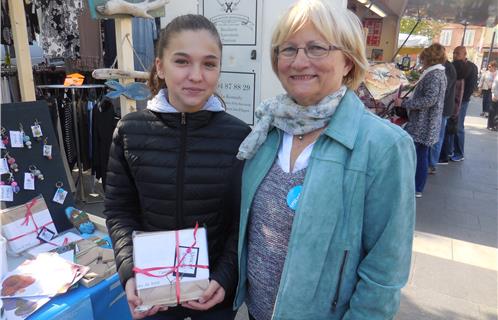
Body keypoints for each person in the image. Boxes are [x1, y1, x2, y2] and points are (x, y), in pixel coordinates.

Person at [234, 1, 416, 319]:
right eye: (287, 49)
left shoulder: (384, 146)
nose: (299, 61)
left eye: (317, 48)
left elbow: (385, 274)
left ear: (347, 61)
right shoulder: (269, 128)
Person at [104, 14, 250, 320]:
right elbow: (120, 210)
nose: (196, 75)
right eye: (182, 61)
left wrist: (225, 277)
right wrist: (130, 270)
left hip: (212, 297)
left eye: (209, 64)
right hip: (153, 295)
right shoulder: (130, 131)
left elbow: (243, 220)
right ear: (160, 66)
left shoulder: (239, 137)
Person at [395, 44, 447, 197]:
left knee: (418, 155)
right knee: (420, 154)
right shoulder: (436, 73)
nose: (421, 60)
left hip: (424, 123)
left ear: (429, 58)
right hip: (426, 122)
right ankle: (416, 186)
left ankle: (417, 187)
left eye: (423, 58)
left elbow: (430, 99)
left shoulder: (434, 75)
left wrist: (405, 103)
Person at [428, 57, 456, 174]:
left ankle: (432, 164)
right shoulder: (446, 67)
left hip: (443, 108)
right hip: (443, 107)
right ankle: (431, 162)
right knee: (437, 136)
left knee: (437, 137)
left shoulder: (447, 68)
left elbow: (443, 90)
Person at [451, 46, 478, 161]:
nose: (455, 55)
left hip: (462, 101)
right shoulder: (452, 65)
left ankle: (459, 152)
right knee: (451, 125)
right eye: (454, 53)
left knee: (458, 126)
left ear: (465, 54)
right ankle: (451, 149)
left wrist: (463, 99)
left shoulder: (471, 67)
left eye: (458, 53)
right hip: (452, 100)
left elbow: (471, 85)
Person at [439, 60, 467, 164]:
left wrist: (455, 113)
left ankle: (444, 157)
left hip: (452, 111)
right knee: (448, 134)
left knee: (446, 134)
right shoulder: (460, 80)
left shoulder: (457, 82)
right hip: (453, 110)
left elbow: (457, 99)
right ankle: (449, 153)